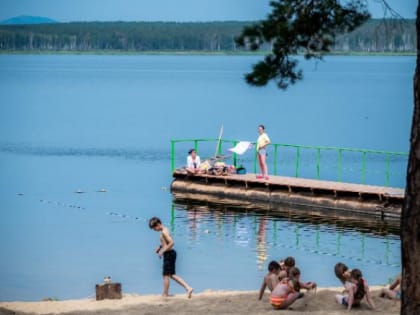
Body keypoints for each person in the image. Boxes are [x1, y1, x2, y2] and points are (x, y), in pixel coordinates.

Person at [149, 217, 193, 298]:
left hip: (169, 254)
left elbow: (172, 243)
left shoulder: (163, 232)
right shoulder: (165, 230)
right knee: (171, 275)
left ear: (158, 224)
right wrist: (160, 247)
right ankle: (188, 288)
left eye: (154, 228)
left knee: (166, 275)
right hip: (170, 253)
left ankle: (165, 294)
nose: (154, 230)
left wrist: (162, 251)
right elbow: (166, 242)